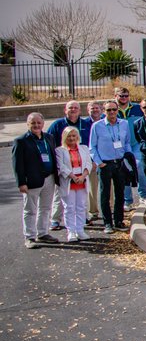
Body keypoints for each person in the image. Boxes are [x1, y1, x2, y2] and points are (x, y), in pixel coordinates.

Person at [14, 113, 58, 247]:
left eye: (39, 123)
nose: (36, 125)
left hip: (49, 178)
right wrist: (21, 182)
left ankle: (43, 233)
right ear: (28, 124)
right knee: (30, 210)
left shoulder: (49, 138)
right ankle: (30, 237)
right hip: (32, 181)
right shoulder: (21, 141)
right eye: (33, 123)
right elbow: (17, 164)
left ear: (43, 124)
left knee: (45, 208)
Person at [89, 101, 133, 234]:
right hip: (105, 164)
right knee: (105, 194)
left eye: (114, 110)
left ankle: (119, 220)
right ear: (104, 111)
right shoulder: (97, 126)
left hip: (119, 163)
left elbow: (126, 142)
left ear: (117, 110)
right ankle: (107, 222)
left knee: (120, 193)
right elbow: (92, 147)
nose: (112, 112)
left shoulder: (124, 124)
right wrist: (99, 162)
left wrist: (127, 157)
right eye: (109, 110)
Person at [47, 100, 90, 231]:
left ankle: (82, 222)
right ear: (65, 110)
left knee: (81, 201)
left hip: (81, 166)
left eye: (76, 108)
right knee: (62, 197)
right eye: (70, 108)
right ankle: (55, 219)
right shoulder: (57, 124)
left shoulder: (86, 124)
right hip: (64, 166)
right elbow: (49, 141)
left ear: (80, 110)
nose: (73, 110)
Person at [54, 126, 93, 242]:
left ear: (78, 137)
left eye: (74, 136)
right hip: (69, 182)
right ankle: (71, 231)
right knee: (69, 207)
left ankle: (80, 230)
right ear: (65, 137)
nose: (71, 138)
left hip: (82, 180)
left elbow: (88, 163)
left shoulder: (84, 148)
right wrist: (73, 176)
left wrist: (83, 176)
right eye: (69, 136)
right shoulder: (60, 150)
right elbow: (61, 166)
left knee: (81, 206)